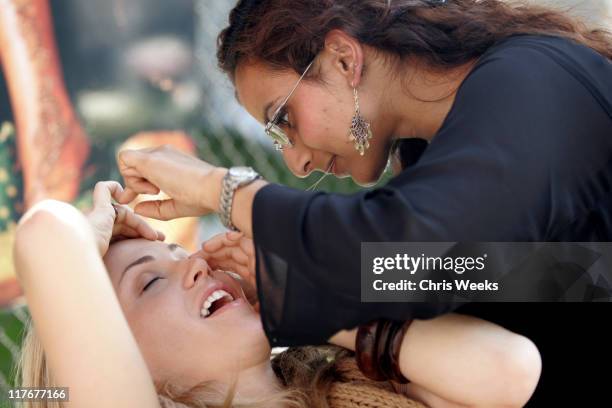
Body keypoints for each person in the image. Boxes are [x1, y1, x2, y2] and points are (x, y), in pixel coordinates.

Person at [113, 0, 612, 404]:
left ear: (345, 60)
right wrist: (294, 282)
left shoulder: (530, 84)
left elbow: (414, 251)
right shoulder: (428, 158)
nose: (296, 163)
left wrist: (219, 189)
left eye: (282, 120)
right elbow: (553, 278)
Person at [13, 182, 541, 407]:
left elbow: (511, 367)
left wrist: (310, 298)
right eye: (149, 282)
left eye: (182, 255)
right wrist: (96, 224)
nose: (197, 263)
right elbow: (46, 233)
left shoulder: (351, 376)